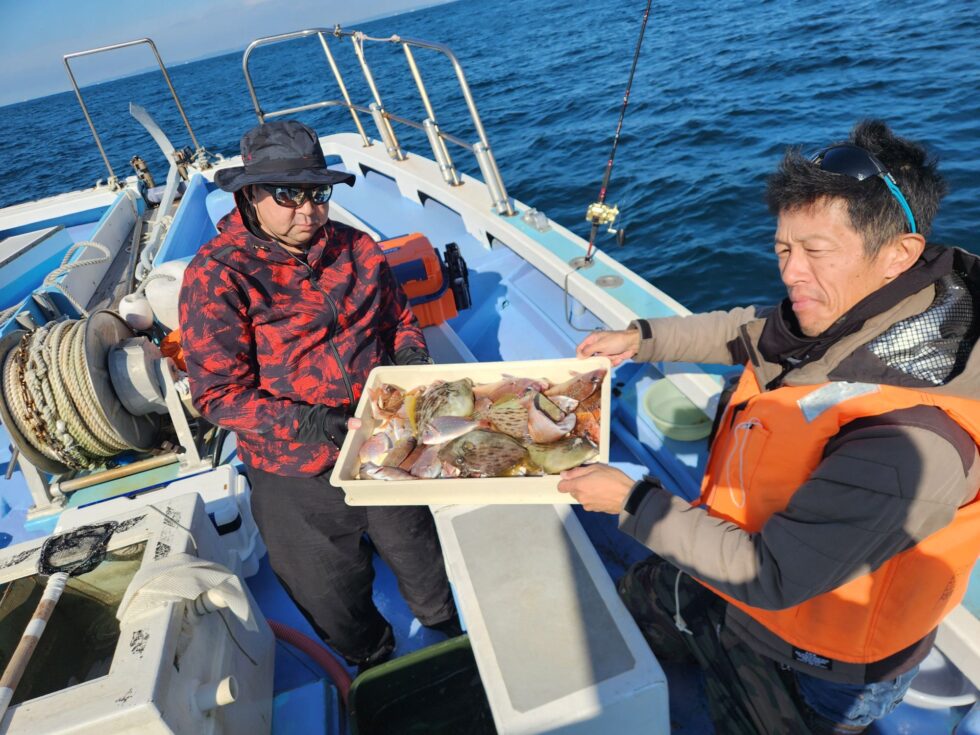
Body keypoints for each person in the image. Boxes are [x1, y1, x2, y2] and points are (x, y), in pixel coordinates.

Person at [559, 120, 980, 734]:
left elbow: (773, 576)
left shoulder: (913, 441)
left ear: (899, 256)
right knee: (644, 595)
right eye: (784, 249)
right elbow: (748, 330)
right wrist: (642, 339)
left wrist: (628, 499)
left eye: (816, 251)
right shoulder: (856, 312)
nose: (791, 272)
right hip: (741, 556)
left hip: (819, 661)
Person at [179, 120, 459, 671]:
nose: (307, 210)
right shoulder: (215, 276)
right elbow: (217, 396)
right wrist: (316, 424)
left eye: (317, 193)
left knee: (421, 556)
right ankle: (376, 660)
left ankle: (446, 633)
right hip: (294, 468)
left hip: (382, 445)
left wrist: (409, 362)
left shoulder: (357, 248)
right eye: (288, 194)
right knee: (330, 593)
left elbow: (398, 319)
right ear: (250, 195)